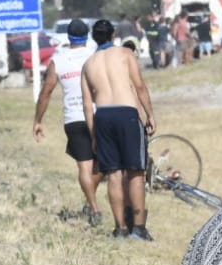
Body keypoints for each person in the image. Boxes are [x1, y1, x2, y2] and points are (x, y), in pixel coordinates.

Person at [80, 18, 156, 240]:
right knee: (135, 171)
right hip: (126, 114)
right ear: (113, 35)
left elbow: (87, 104)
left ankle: (120, 228)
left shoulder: (89, 64)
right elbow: (139, 86)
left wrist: (94, 134)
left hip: (103, 115)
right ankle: (139, 228)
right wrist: (150, 113)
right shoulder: (125, 54)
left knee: (113, 172)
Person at [34, 18, 101, 225]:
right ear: (87, 35)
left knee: (84, 167)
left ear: (68, 37)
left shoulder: (58, 60)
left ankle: (93, 208)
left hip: (73, 118)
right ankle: (91, 203)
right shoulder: (95, 56)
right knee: (100, 165)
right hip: (98, 115)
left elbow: (46, 92)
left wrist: (38, 120)